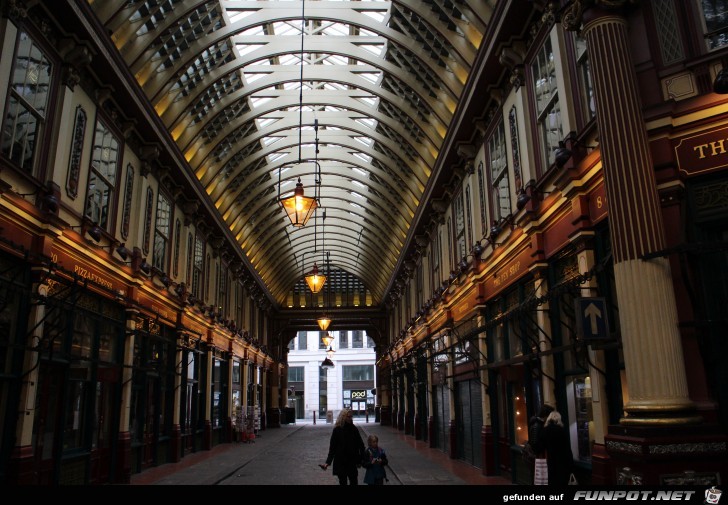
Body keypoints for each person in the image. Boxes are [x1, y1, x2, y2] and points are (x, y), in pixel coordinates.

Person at [320, 408, 366, 485]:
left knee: (354, 481)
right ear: (343, 417)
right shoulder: (337, 430)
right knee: (342, 482)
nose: (350, 418)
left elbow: (361, 445)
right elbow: (332, 448)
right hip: (341, 461)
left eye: (351, 416)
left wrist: (361, 460)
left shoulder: (354, 429)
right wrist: (327, 462)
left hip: (352, 461)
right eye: (348, 416)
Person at [540, 410, 574, 486]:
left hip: (551, 462)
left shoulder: (545, 430)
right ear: (559, 419)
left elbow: (541, 446)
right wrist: (571, 466)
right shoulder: (561, 430)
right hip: (562, 462)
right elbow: (567, 449)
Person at [525, 403, 554, 478]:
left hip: (539, 456)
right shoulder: (537, 426)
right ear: (546, 415)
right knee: (540, 478)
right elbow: (535, 444)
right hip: (539, 457)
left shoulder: (539, 424)